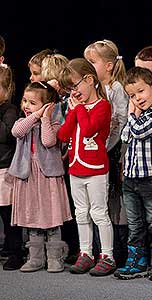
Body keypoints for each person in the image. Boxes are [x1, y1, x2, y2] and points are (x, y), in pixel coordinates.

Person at [57, 58, 115, 276]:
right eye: (69, 88)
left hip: (96, 169)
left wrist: (78, 109)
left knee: (99, 213)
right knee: (81, 213)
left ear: (89, 80)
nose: (73, 92)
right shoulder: (77, 107)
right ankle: (86, 253)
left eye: (75, 86)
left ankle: (107, 256)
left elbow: (90, 129)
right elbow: (63, 134)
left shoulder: (103, 106)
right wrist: (73, 112)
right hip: (76, 168)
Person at [9, 81, 72, 273]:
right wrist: (35, 114)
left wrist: (44, 118)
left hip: (47, 177)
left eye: (33, 103)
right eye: (25, 101)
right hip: (28, 175)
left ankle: (54, 257)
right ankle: (35, 258)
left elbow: (48, 140)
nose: (27, 106)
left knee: (51, 218)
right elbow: (16, 132)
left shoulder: (52, 123)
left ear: (48, 106)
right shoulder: (22, 123)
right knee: (32, 217)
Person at [114, 67, 152, 280]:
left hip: (151, 178)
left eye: (141, 92)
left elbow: (137, 130)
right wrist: (133, 117)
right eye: (132, 95)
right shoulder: (136, 117)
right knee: (135, 223)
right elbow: (126, 136)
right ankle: (137, 259)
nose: (137, 98)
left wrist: (131, 113)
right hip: (131, 177)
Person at [84, 39, 129, 267]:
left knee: (112, 203)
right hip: (93, 151)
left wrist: (105, 146)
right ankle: (93, 249)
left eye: (92, 62)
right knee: (94, 202)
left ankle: (116, 252)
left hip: (111, 150)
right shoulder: (93, 90)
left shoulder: (116, 88)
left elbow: (120, 121)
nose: (88, 67)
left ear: (109, 65)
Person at [40, 52, 81, 265]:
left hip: (68, 157)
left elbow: (65, 129)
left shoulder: (66, 102)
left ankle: (75, 247)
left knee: (72, 205)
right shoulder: (55, 102)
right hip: (58, 157)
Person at [0, 63, 23, 270]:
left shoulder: (10, 110)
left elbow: (6, 135)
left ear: (6, 90)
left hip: (4, 169)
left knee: (8, 215)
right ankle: (7, 247)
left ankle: (16, 251)